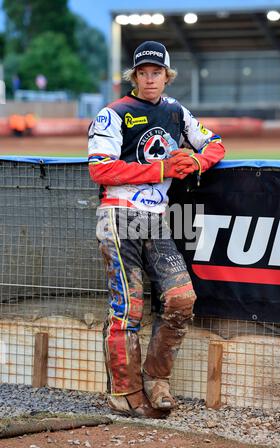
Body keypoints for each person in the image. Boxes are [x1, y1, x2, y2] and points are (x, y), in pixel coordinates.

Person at [88, 41, 225, 419]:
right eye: (143, 73)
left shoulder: (176, 111)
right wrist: (163, 169)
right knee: (127, 309)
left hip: (156, 219)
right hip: (117, 216)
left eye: (157, 73)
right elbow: (100, 169)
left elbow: (215, 143)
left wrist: (196, 160)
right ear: (134, 76)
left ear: (167, 76)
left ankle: (156, 380)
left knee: (182, 299)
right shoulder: (112, 114)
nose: (150, 79)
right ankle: (124, 391)